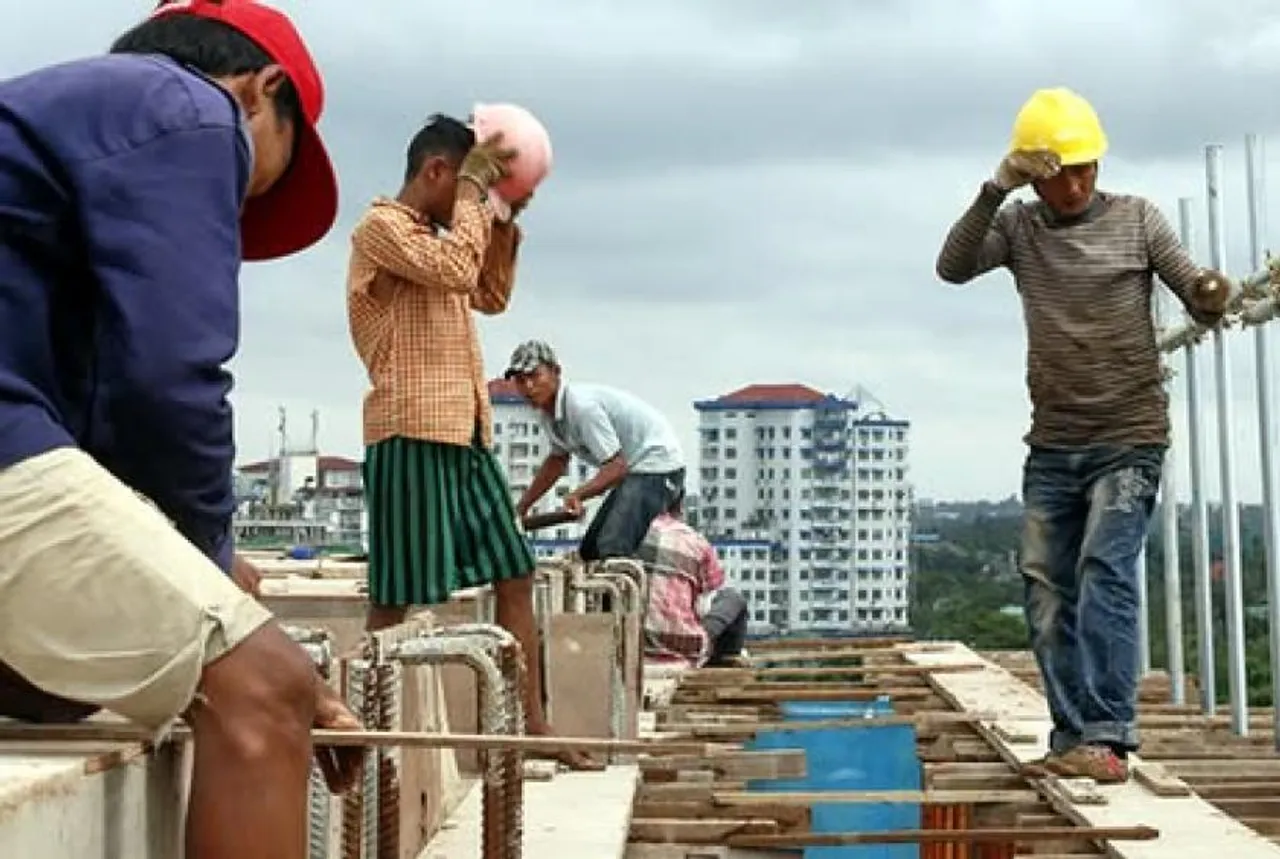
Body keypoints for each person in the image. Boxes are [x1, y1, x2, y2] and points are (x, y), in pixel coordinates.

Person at [0, 2, 363, 858]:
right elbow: (167, 382)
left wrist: (181, 560)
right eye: (256, 183)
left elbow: (102, 414)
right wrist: (215, 579)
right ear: (260, 91)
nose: (232, 212)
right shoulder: (195, 109)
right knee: (266, 686)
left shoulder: (59, 121)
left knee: (65, 681)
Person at [935, 87, 1231, 783]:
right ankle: (1072, 734)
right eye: (1063, 171)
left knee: (1105, 569)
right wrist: (992, 188)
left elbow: (1195, 289)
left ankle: (1108, 733)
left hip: (1128, 435)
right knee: (1044, 587)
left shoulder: (1138, 220)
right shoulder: (1018, 227)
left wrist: (1214, 296)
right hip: (1054, 442)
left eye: (1087, 168)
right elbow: (951, 266)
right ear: (1035, 175)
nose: (1078, 183)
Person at [346, 115, 599, 771]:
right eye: (461, 183)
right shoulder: (383, 229)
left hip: (464, 429)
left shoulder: (441, 237)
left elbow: (489, 289)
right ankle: (360, 734)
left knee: (514, 570)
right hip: (409, 429)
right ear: (435, 172)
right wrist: (473, 194)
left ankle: (531, 721)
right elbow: (460, 269)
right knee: (395, 594)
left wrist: (503, 216)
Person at [506, 340, 686, 561]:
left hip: (658, 467)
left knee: (611, 547)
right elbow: (557, 460)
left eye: (535, 376)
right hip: (634, 471)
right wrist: (522, 507)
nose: (529, 387)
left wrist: (579, 494)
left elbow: (616, 467)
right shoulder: (546, 413)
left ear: (556, 372)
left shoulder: (581, 407)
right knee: (590, 552)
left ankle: (628, 592)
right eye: (521, 381)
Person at [635, 489, 749, 668]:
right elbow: (709, 593)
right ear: (679, 506)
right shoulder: (695, 541)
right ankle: (721, 662)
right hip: (683, 649)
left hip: (629, 645)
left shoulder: (621, 536)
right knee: (733, 599)